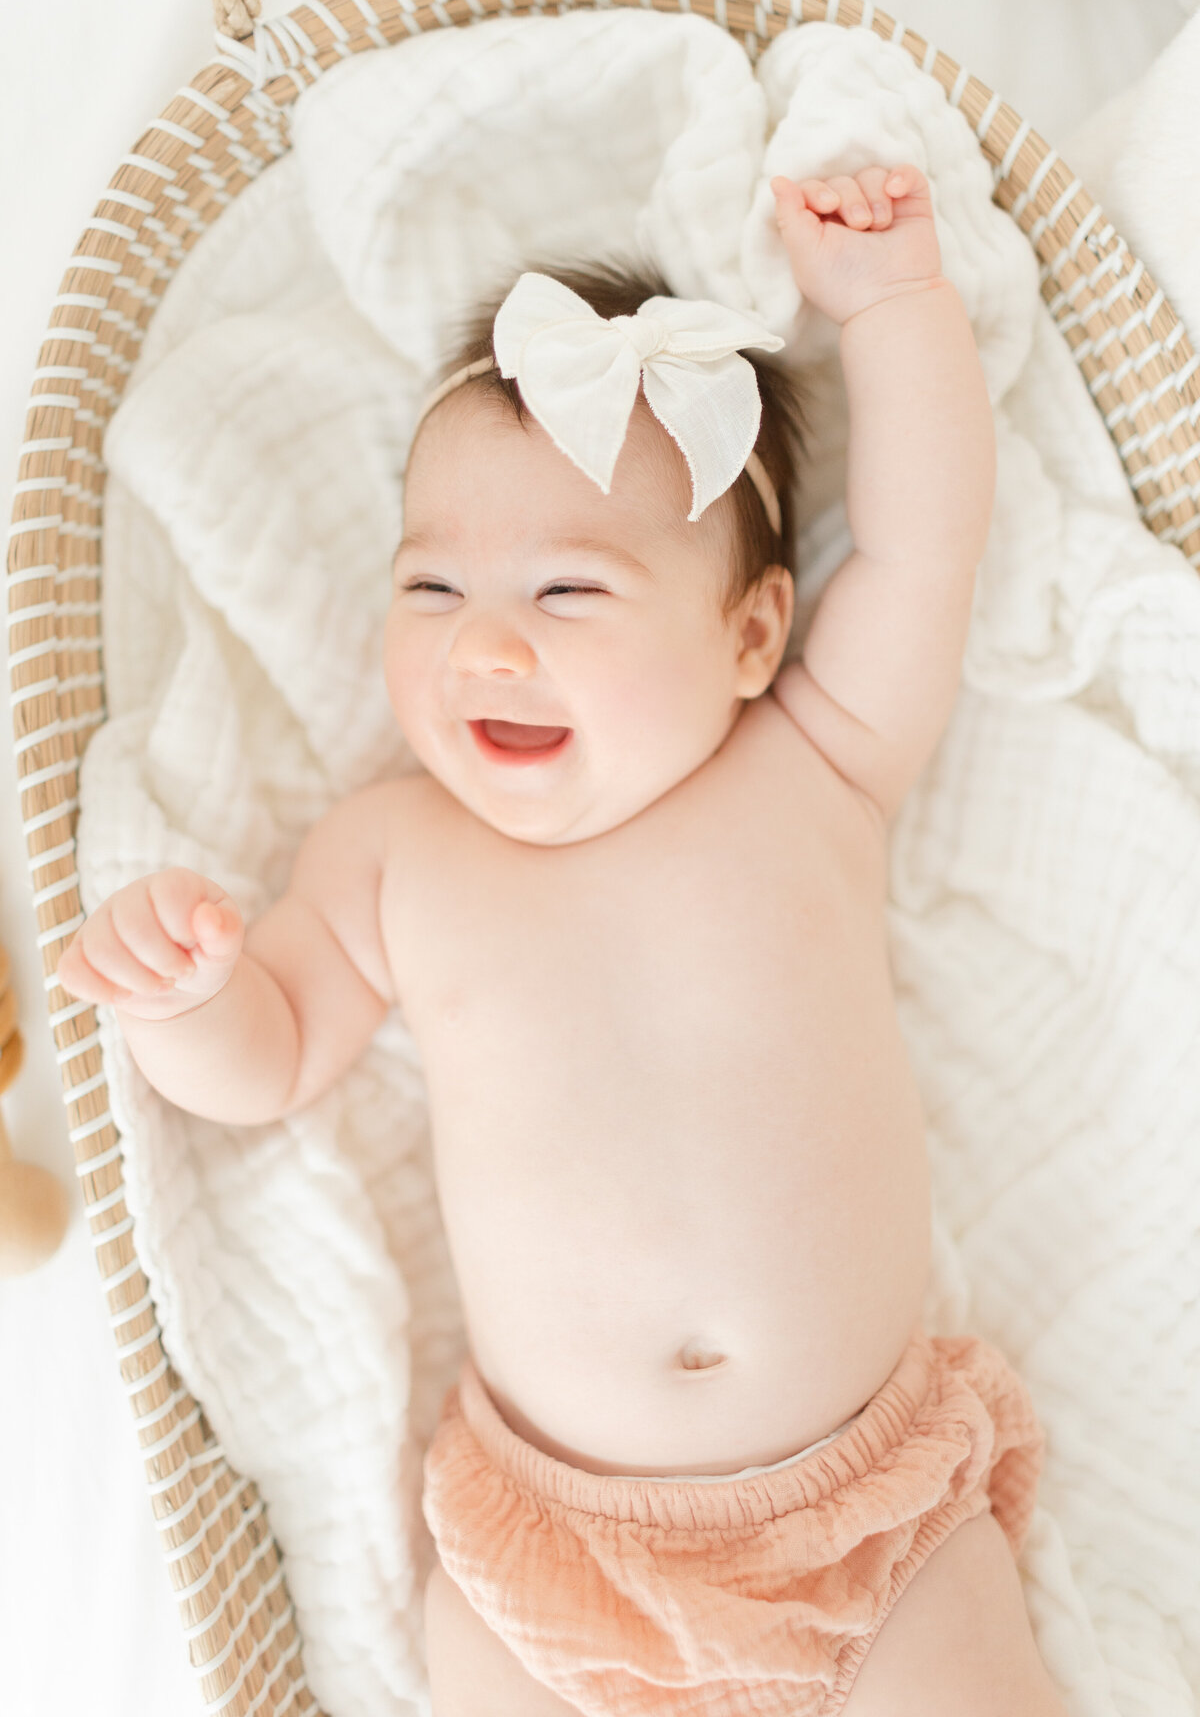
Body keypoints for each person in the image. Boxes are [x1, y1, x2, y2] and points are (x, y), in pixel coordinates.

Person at [58, 163, 1068, 1715]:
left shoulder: (817, 765)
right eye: (434, 584)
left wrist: (893, 304)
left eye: (570, 590)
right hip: (560, 1542)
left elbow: (929, 546)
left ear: (748, 634)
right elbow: (268, 1063)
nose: (489, 640)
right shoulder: (400, 854)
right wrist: (186, 997)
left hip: (872, 1509)